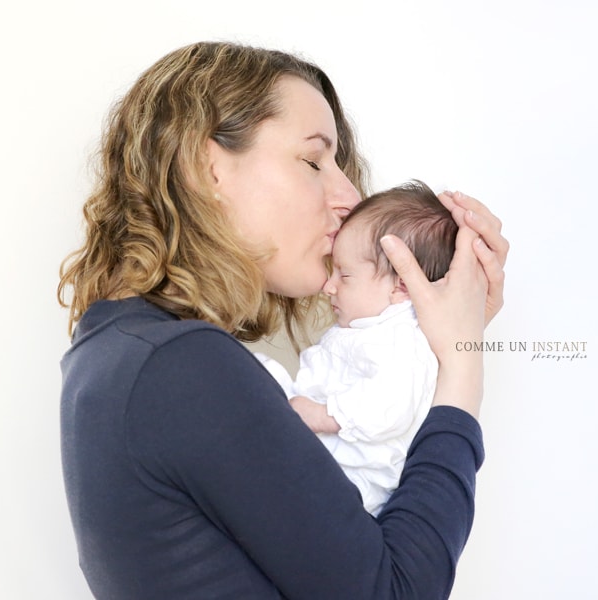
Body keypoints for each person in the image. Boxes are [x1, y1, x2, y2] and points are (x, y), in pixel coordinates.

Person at [58, 41, 508, 600]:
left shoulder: (122, 348)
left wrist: (427, 345)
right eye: (313, 161)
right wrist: (462, 369)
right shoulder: (183, 366)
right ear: (207, 167)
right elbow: (394, 590)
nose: (349, 197)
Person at [259, 181, 457, 516]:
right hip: (323, 447)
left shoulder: (402, 339)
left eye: (344, 275)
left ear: (401, 286)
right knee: (257, 370)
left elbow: (391, 403)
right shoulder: (371, 328)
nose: (329, 286)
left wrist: (324, 415)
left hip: (356, 478)